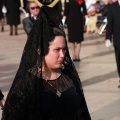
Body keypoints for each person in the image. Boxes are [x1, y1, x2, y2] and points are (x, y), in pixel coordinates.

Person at [1, 6, 91, 120]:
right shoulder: (27, 84)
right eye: (57, 50)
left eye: (64, 49)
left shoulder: (68, 77)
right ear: (40, 51)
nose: (62, 54)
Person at [105, 0, 120, 88]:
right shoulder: (112, 7)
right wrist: (108, 38)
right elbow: (109, 23)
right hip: (118, 39)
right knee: (119, 60)